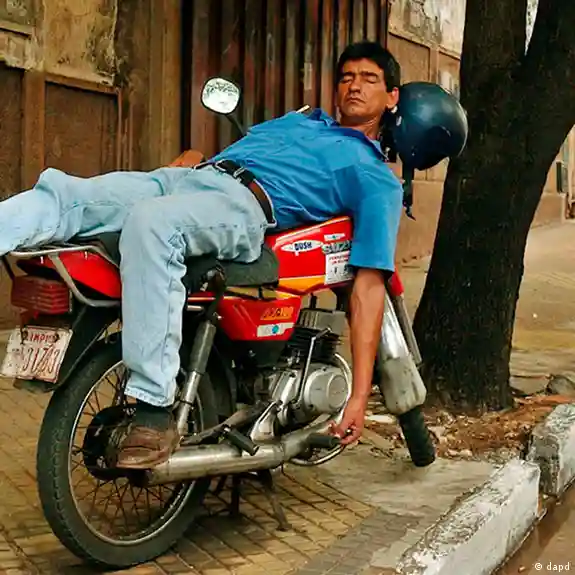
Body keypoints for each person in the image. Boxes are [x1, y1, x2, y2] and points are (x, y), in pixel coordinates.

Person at [1, 41, 403, 468]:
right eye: (347, 77)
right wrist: (196, 162)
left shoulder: (374, 176)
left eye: (369, 79)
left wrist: (359, 397)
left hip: (244, 205)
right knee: (65, 194)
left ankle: (154, 411)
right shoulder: (301, 120)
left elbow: (368, 287)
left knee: (153, 225)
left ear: (392, 96)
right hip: (189, 178)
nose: (354, 86)